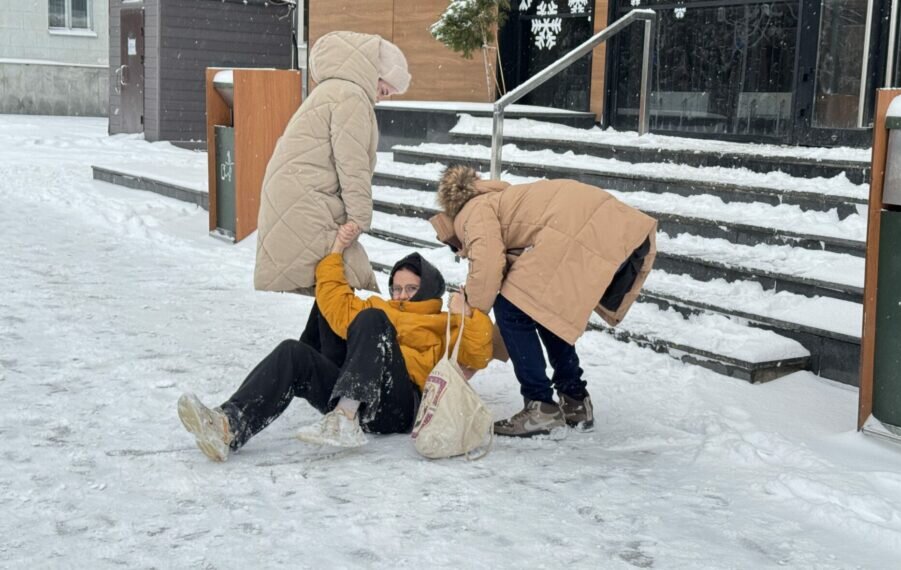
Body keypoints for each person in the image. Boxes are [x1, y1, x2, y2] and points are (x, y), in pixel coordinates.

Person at [178, 225, 494, 462]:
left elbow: (477, 355)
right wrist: (336, 250)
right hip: (363, 395)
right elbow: (334, 302)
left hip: (400, 406)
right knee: (295, 350)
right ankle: (228, 426)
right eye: (396, 288)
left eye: (410, 289)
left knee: (372, 320)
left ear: (428, 290)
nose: (400, 295)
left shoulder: (442, 322)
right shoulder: (379, 307)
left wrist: (467, 313)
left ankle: (345, 417)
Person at [429, 165, 657, 438]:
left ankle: (540, 406)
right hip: (599, 225)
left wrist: (472, 313)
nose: (462, 254)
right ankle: (575, 400)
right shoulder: (498, 199)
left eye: (458, 248)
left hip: (577, 230)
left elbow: (488, 264)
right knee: (544, 309)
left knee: (510, 309)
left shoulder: (471, 212)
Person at [253, 30, 411, 296]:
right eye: (385, 89)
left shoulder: (334, 90)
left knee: (331, 286)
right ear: (375, 72)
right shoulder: (351, 97)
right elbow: (352, 164)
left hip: (297, 195)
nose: (383, 97)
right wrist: (359, 218)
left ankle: (315, 339)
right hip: (307, 198)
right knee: (340, 282)